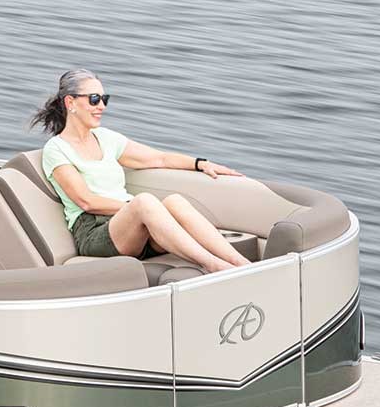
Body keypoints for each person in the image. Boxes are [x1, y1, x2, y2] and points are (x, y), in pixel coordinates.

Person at [32, 68, 251, 273]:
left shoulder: (107, 138)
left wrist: (201, 164)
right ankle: (216, 267)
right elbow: (86, 201)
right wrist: (135, 207)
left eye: (104, 99)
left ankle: (241, 264)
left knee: (175, 201)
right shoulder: (57, 149)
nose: (102, 106)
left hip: (132, 229)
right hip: (94, 232)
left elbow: (159, 158)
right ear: (70, 102)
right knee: (144, 202)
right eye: (94, 99)